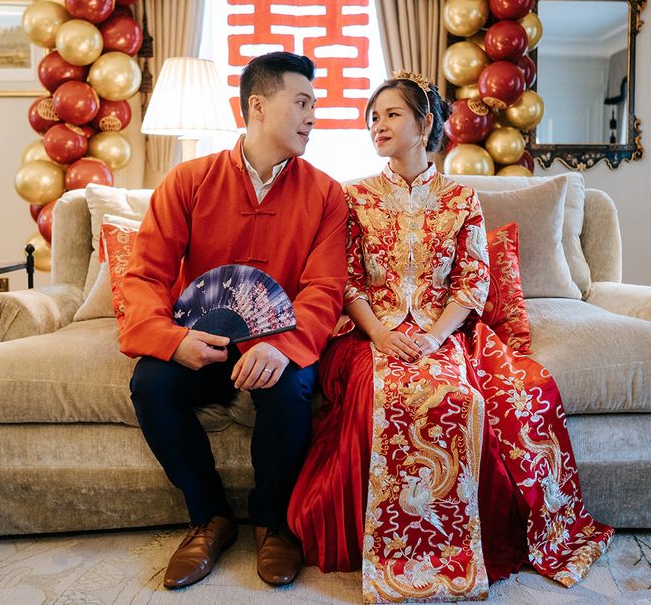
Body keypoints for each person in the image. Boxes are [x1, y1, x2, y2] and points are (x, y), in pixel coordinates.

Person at [287, 71, 614, 601]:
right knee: (384, 394)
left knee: (459, 395)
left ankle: (460, 550)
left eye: (392, 114)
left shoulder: (461, 199)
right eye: (373, 117)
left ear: (425, 124)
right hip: (372, 332)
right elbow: (346, 277)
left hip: (444, 331)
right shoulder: (354, 197)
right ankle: (388, 550)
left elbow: (473, 279)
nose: (378, 125)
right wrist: (381, 335)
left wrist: (437, 338)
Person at [120, 52, 348, 589]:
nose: (313, 115)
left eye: (315, 104)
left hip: (276, 342)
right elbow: (146, 276)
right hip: (202, 340)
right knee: (151, 383)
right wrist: (172, 341)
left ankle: (273, 523)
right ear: (258, 105)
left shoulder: (326, 194)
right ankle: (209, 518)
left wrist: (285, 345)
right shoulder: (188, 180)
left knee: (292, 386)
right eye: (302, 102)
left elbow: (324, 289)